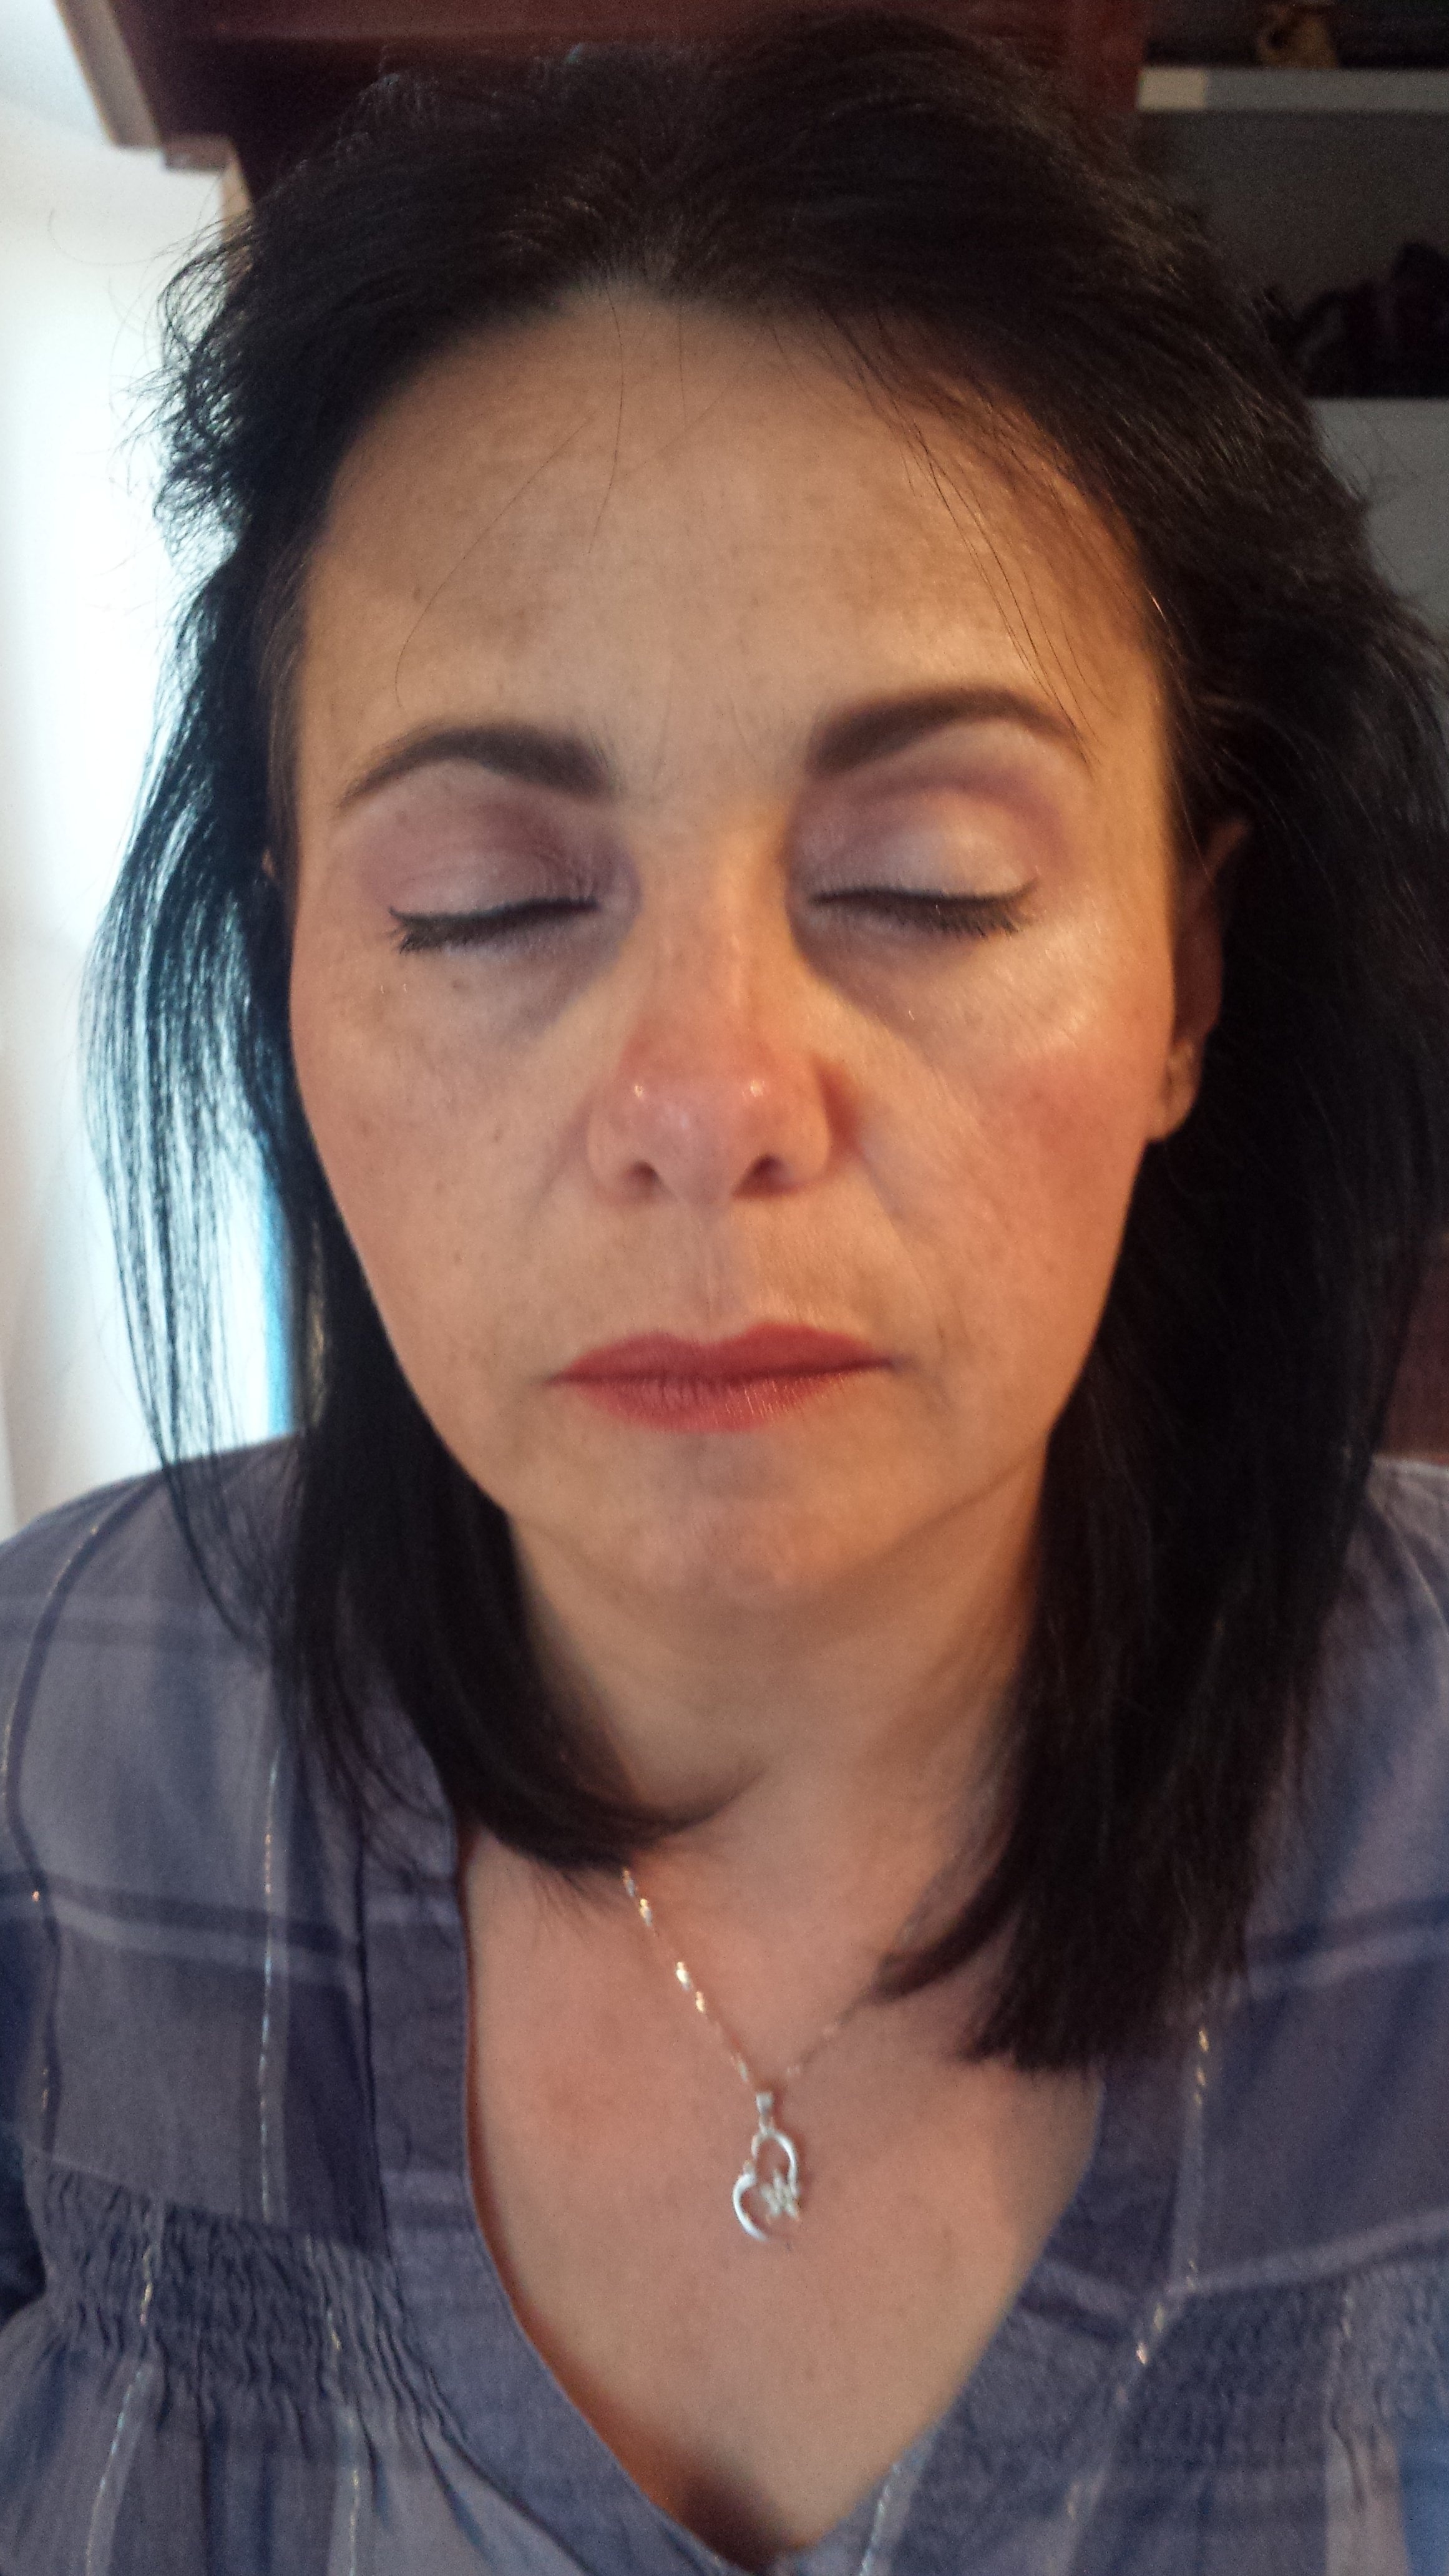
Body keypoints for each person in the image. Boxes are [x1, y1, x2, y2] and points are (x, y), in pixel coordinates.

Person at [2, 12, 1448, 2572]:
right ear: (292, 971)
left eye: (922, 882)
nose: (707, 1094)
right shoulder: (50, 1762)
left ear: (1186, 984)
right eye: (486, 904)